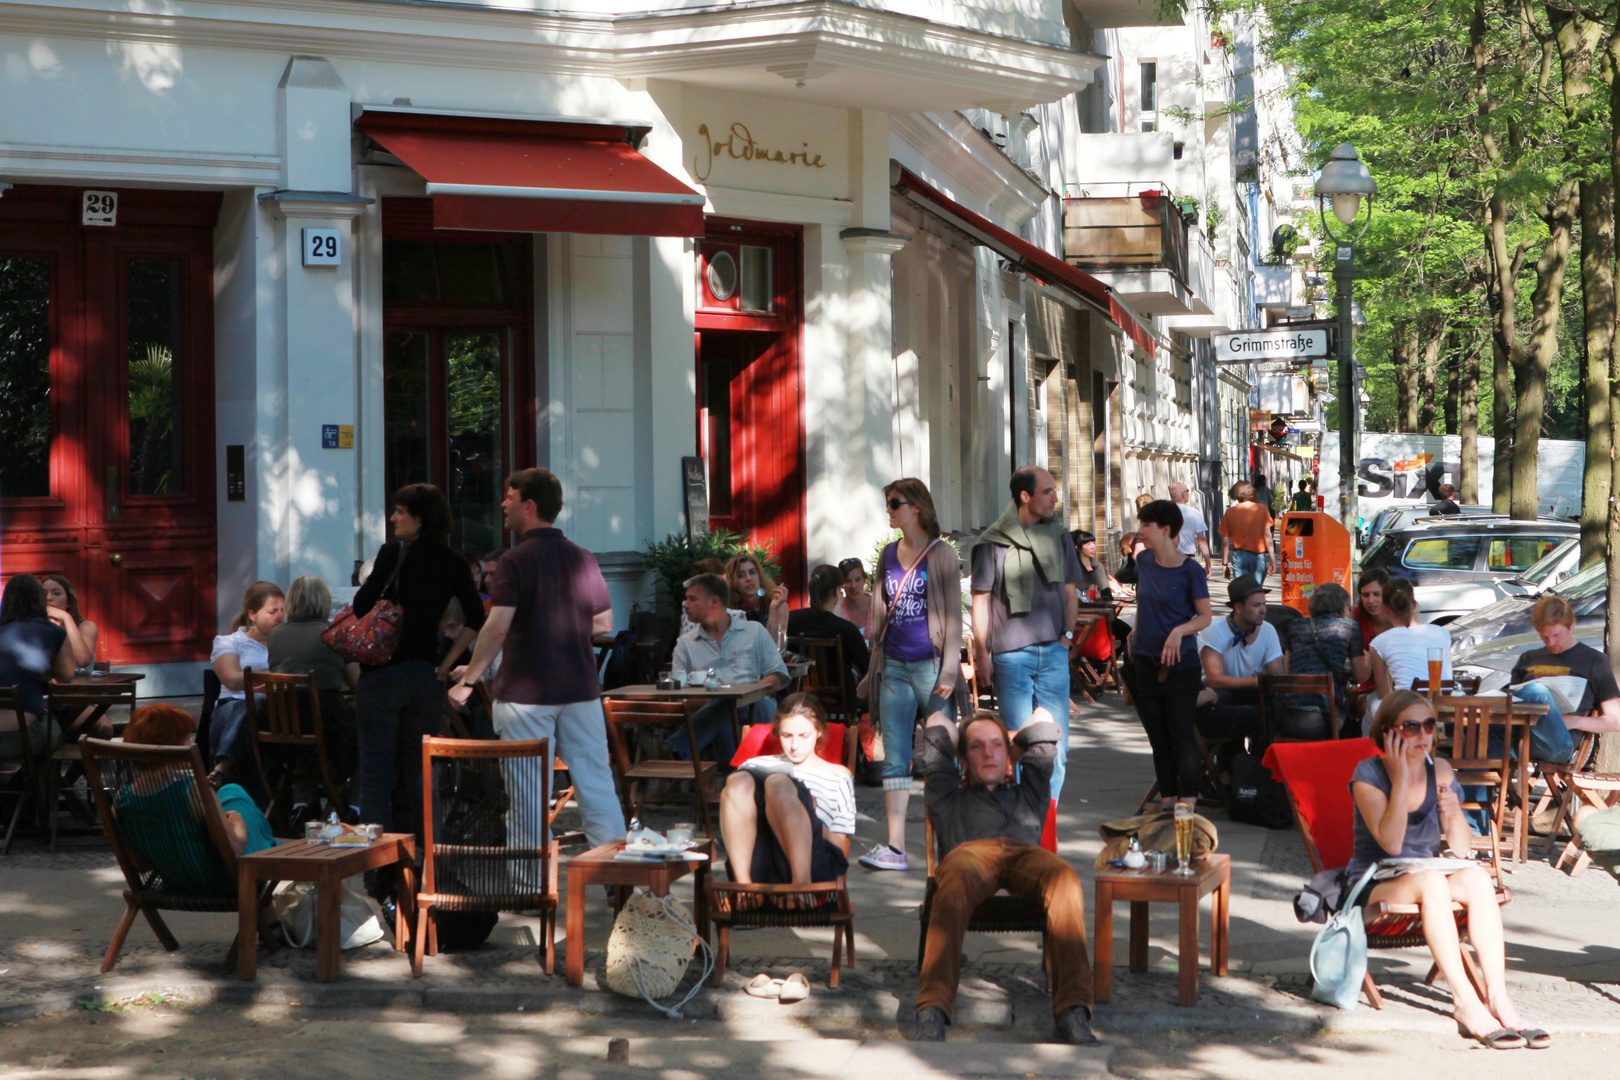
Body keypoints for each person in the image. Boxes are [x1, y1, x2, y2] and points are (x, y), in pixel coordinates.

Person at [1350, 692, 1545, 1049]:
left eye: (1429, 725)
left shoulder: (1439, 769)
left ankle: (1498, 998)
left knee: (1476, 879)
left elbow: (1459, 848)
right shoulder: (1369, 773)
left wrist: (1454, 813)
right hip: (1375, 881)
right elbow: (1391, 844)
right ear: (1388, 732)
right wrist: (1400, 781)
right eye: (1411, 726)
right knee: (1433, 884)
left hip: (1426, 873)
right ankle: (1465, 1001)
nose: (1423, 734)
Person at [450, 468, 626, 850]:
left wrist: (467, 683)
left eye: (509, 498)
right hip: (580, 687)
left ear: (528, 506)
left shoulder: (515, 561)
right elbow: (604, 621)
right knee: (596, 784)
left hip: (526, 694)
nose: (502, 505)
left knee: (528, 794)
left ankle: (531, 888)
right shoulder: (582, 557)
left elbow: (496, 627)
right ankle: (619, 876)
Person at [914, 706, 1097, 1046]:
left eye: (996, 745)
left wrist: (1011, 754)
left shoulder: (1030, 791)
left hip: (1025, 855)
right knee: (950, 882)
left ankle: (1073, 1011)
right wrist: (969, 749)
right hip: (969, 856)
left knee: (1065, 877)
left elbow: (1042, 718)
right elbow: (937, 723)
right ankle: (932, 1010)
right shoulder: (948, 795)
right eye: (977, 747)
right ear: (962, 758)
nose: (989, 753)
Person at [353, 483, 485, 840]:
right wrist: (446, 666)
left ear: (419, 519)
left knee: (376, 771)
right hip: (425, 675)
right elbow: (476, 618)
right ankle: (429, 858)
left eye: (400, 512)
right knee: (422, 771)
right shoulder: (454, 561)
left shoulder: (392, 553)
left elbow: (361, 607)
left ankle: (376, 864)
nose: (393, 518)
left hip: (382, 675)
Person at [855, 477, 966, 872]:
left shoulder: (942, 555)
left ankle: (948, 845)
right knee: (896, 756)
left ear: (916, 507)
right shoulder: (887, 554)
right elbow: (880, 611)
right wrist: (875, 662)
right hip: (895, 666)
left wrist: (950, 670)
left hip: (933, 666)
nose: (889, 510)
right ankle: (896, 846)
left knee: (939, 755)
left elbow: (954, 617)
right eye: (887, 503)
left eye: (894, 503)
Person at [972, 466, 1081, 800]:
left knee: (1056, 744)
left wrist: (1067, 639)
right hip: (1010, 655)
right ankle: (1022, 817)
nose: (1055, 498)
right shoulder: (991, 542)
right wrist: (982, 654)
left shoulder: (1059, 535)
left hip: (1053, 652)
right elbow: (980, 601)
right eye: (1047, 492)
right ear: (1025, 496)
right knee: (1018, 743)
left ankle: (1047, 818)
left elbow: (1070, 591)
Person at [116, 704, 277, 888]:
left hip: (175, 883)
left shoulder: (123, 800)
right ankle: (271, 853)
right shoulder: (192, 792)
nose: (190, 744)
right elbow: (235, 849)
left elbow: (141, 864)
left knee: (229, 792)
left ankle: (268, 909)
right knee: (237, 798)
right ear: (172, 746)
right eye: (186, 738)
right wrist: (236, 823)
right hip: (223, 883)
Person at [1127, 500, 1213, 811]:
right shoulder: (1144, 562)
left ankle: (1187, 805)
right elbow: (1144, 600)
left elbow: (1205, 617)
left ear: (1165, 530)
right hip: (1146, 660)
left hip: (1181, 665)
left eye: (1147, 526)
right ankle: (1167, 802)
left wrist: (1179, 631)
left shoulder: (1191, 570)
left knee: (1181, 735)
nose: (1141, 531)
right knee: (1157, 737)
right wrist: (1136, 627)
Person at [721, 694, 855, 885]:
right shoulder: (754, 764)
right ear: (778, 732)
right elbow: (734, 812)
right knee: (738, 781)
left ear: (819, 732)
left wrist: (806, 810)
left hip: (811, 861)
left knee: (778, 783)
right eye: (787, 735)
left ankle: (801, 884)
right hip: (758, 860)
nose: (794, 746)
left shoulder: (838, 776)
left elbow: (836, 845)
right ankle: (743, 885)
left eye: (803, 736)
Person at [669, 574, 790, 764]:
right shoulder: (685, 644)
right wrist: (723, 700)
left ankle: (676, 748)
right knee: (726, 709)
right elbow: (678, 694)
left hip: (756, 708)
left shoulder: (754, 631)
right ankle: (741, 769)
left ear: (714, 602)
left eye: (692, 598)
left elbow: (776, 676)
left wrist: (745, 694)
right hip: (716, 715)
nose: (685, 604)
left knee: (740, 703)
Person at [268, 574, 361, 801]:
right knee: (369, 736)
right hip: (327, 723)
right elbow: (357, 683)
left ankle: (303, 803)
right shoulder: (334, 632)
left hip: (283, 724)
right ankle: (352, 804)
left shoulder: (276, 634)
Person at [1506, 594, 1620, 766]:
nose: (1551, 642)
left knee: (1537, 690)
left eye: (1556, 635)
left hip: (1558, 744)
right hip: (1521, 737)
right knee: (1471, 743)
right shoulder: (1528, 658)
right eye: (1544, 637)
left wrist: (1575, 721)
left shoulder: (1594, 661)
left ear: (1571, 626)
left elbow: (1616, 721)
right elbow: (1511, 703)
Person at [208, 581, 287, 790]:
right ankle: (223, 768)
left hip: (273, 712)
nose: (280, 616)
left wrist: (259, 685)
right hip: (232, 707)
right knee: (252, 704)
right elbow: (233, 680)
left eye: (283, 610)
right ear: (253, 614)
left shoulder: (287, 644)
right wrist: (273, 679)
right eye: (272, 611)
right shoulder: (229, 642)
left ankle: (223, 768)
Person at [1194, 575, 1286, 743]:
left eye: (1264, 604)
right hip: (1218, 695)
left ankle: (1262, 759)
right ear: (1237, 607)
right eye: (1256, 605)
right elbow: (1215, 680)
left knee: (1271, 703)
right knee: (1229, 700)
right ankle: (1232, 761)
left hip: (1251, 693)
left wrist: (1271, 677)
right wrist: (1254, 682)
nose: (1263, 610)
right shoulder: (1214, 630)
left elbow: (1276, 675)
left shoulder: (1268, 630)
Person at [0, 575, 75, 762]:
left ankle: (13, 789)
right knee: (53, 729)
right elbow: (65, 676)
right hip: (23, 737)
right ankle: (44, 791)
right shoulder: (53, 631)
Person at [1279, 583, 1368, 738]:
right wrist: (1371, 656)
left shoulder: (1295, 625)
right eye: (1349, 607)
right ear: (1342, 607)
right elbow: (1361, 677)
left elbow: (1284, 671)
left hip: (1288, 717)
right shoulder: (1349, 627)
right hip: (1326, 719)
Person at [787, 564, 869, 709]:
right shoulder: (845, 628)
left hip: (800, 695)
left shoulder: (792, 619)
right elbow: (867, 668)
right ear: (838, 591)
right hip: (842, 700)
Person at [1368, 580, 1451, 712]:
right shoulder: (1443, 633)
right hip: (1444, 705)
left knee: (1371, 703)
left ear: (1386, 609)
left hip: (1408, 708)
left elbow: (1384, 695)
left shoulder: (1378, 643)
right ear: (1414, 605)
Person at [1217, 481, 1276, 586]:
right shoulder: (1262, 509)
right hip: (1258, 557)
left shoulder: (1230, 512)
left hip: (1239, 556)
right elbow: (1268, 536)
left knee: (1242, 590)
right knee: (1256, 590)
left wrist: (1224, 564)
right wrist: (1272, 560)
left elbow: (1225, 541)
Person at [726, 553, 789, 645]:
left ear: (759, 576)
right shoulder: (729, 609)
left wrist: (773, 610)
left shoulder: (777, 604)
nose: (749, 578)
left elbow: (777, 646)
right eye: (741, 575)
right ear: (733, 581)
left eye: (752, 572)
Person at [40, 574, 98, 671]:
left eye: (56, 593)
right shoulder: (33, 626)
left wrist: (66, 618)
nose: (48, 598)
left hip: (79, 684)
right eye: (43, 593)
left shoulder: (86, 626)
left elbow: (82, 661)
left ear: (69, 602)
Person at [1168, 481, 1212, 573]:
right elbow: (1201, 539)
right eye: (1187, 491)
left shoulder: (1162, 512)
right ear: (1183, 495)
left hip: (1167, 559)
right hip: (1188, 558)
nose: (1188, 493)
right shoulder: (1193, 513)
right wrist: (1208, 563)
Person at [1352, 568, 1394, 649]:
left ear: (1387, 594)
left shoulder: (1399, 616)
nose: (1370, 600)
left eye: (1376, 594)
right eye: (1365, 595)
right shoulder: (1355, 615)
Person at [836, 557, 873, 638]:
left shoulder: (876, 606)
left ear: (864, 580)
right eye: (848, 581)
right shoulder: (837, 609)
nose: (853, 586)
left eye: (858, 580)